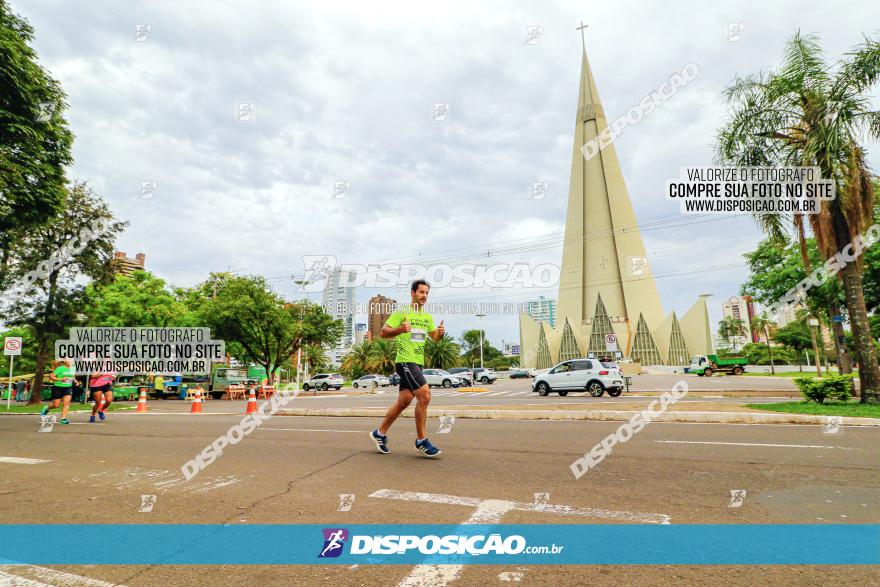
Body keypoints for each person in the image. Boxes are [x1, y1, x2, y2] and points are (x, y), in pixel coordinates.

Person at [370, 279, 445, 457]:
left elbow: (433, 337)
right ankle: (421, 441)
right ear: (412, 293)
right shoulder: (402, 312)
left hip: (417, 362)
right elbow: (383, 332)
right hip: (405, 361)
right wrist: (400, 330)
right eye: (421, 292)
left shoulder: (426, 317)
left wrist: (440, 333)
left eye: (426, 293)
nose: (424, 296)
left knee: (404, 401)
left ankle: (379, 433)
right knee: (425, 395)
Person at [41, 358, 78, 425]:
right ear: (65, 361)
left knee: (66, 403)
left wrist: (75, 381)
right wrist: (60, 379)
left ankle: (63, 419)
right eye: (69, 360)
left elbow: (72, 376)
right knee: (56, 405)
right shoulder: (60, 368)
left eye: (72, 360)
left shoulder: (73, 368)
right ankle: (47, 408)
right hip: (58, 388)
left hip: (68, 388)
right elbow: (51, 377)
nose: (71, 361)